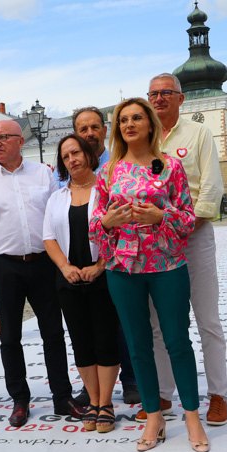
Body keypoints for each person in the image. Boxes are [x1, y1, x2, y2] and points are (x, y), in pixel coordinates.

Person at [89, 97, 209, 452]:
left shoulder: (170, 166)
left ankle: (192, 416)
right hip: (122, 269)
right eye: (123, 120)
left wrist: (161, 217)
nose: (129, 124)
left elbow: (188, 218)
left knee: (177, 341)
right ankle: (153, 416)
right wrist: (107, 222)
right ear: (117, 129)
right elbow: (95, 226)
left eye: (137, 118)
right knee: (138, 344)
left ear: (150, 124)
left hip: (167, 265)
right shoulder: (107, 173)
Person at [0, 120, 84, 427]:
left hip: (45, 263)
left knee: (53, 333)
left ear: (21, 141)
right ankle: (19, 399)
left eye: (3, 137)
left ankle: (62, 396)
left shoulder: (43, 174)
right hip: (6, 266)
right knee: (9, 336)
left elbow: (59, 215)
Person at [137, 72, 227, 426]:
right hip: (155, 244)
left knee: (207, 320)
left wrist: (184, 227)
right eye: (153, 94)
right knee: (160, 325)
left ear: (180, 98)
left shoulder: (198, 133)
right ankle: (162, 396)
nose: (159, 99)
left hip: (193, 237)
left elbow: (210, 190)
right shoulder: (144, 138)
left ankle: (218, 395)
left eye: (166, 93)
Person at [44, 134, 121, 432]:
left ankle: (106, 403)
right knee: (81, 343)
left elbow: (120, 231)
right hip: (69, 280)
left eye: (76, 152)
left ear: (89, 155)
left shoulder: (107, 191)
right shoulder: (57, 197)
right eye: (65, 156)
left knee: (104, 339)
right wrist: (65, 267)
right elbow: (48, 237)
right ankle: (93, 400)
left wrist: (100, 266)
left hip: (102, 278)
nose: (72, 159)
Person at [68, 106, 140, 406]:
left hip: (117, 259)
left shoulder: (119, 165)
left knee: (124, 324)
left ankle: (132, 380)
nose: (89, 134)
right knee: (88, 327)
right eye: (82, 128)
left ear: (105, 130)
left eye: (94, 127)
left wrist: (103, 261)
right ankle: (93, 386)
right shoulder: (67, 172)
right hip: (80, 260)